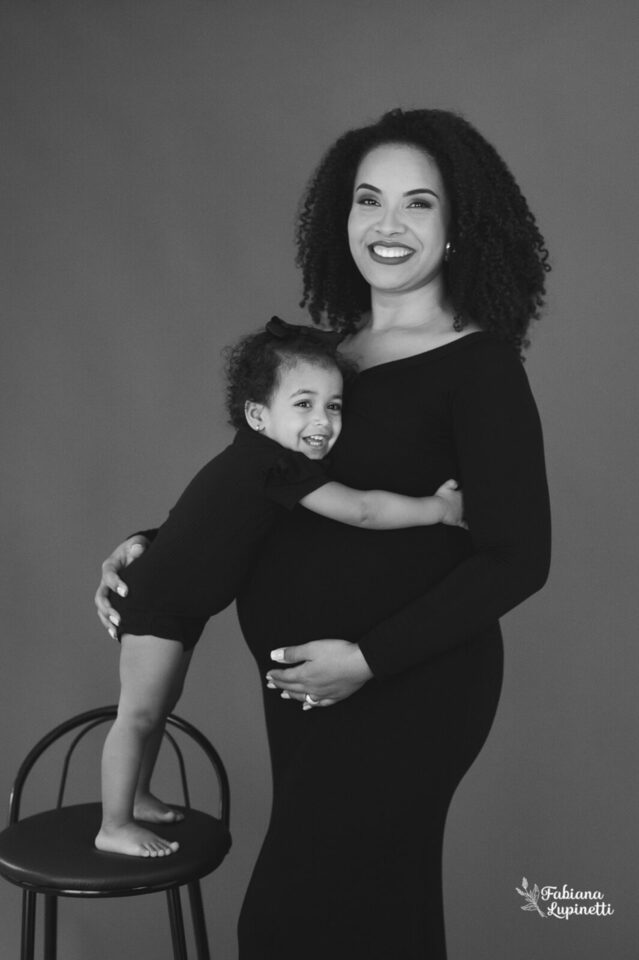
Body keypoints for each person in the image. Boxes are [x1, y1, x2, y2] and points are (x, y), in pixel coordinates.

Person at [95, 108, 551, 958]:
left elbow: (519, 558)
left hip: (407, 691)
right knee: (376, 922)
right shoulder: (325, 361)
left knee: (295, 924)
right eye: (368, 200)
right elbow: (261, 489)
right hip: (313, 696)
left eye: (418, 203)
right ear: (341, 218)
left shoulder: (478, 365)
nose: (387, 223)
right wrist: (153, 545)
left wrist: (367, 660)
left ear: (456, 227)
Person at [95, 317, 465, 858]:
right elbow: (361, 510)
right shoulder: (272, 463)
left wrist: (137, 541)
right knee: (139, 714)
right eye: (304, 404)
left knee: (160, 707)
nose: (322, 420)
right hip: (156, 604)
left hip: (180, 605)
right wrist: (437, 509)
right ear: (257, 416)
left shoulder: (257, 460)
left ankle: (138, 795)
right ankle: (113, 824)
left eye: (333, 406)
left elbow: (193, 524)